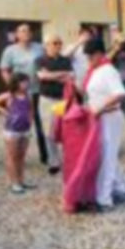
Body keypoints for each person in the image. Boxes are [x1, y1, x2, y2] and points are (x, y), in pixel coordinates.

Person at [83, 39, 125, 210]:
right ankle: (120, 188)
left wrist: (99, 108)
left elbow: (120, 93)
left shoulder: (108, 71)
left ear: (99, 54)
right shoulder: (95, 70)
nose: (89, 59)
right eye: (87, 56)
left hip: (109, 116)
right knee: (107, 154)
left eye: (91, 56)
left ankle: (104, 198)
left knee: (107, 157)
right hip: (99, 116)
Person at [0, 23, 47, 165]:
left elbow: (46, 63)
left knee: (40, 124)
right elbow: (4, 69)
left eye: (28, 31)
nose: (26, 33)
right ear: (17, 35)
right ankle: (16, 156)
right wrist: (12, 87)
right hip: (19, 94)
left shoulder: (39, 48)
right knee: (17, 122)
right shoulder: (10, 50)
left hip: (37, 90)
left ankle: (45, 156)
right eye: (22, 31)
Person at [0, 74, 35, 194]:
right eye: (23, 82)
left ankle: (21, 180)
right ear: (16, 83)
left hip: (25, 130)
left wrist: (30, 120)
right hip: (12, 130)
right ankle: (14, 182)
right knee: (12, 156)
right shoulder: (9, 96)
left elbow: (31, 109)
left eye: (27, 82)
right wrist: (3, 111)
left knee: (21, 156)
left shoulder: (27, 96)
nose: (26, 84)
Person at [35, 34, 73, 175]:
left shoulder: (65, 60)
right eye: (54, 43)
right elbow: (42, 76)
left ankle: (69, 158)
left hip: (62, 100)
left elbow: (70, 77)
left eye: (59, 43)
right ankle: (54, 161)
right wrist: (61, 75)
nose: (58, 45)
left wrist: (52, 75)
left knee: (64, 130)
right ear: (47, 45)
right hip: (47, 99)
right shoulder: (40, 60)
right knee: (49, 132)